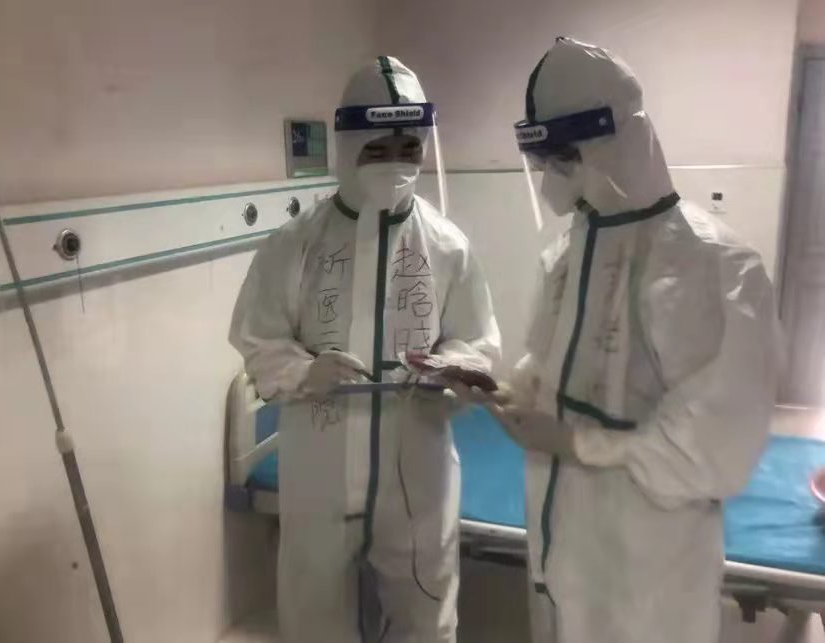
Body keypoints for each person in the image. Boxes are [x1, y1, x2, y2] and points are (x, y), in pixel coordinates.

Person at [454, 37, 781, 643]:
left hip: (647, 568)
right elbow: (549, 363)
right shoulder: (569, 251)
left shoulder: (714, 266)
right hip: (559, 539)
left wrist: (582, 444)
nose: (552, 176)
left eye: (564, 157)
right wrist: (510, 390)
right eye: (544, 159)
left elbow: (716, 447)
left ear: (616, 139)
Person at [229, 56, 500, 643]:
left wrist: (455, 365)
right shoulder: (295, 244)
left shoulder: (448, 246)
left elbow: (478, 339)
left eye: (408, 149)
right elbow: (258, 336)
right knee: (315, 614)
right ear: (348, 145)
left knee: (424, 612)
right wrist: (304, 373)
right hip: (320, 467)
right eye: (377, 149)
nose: (395, 164)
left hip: (419, 465)